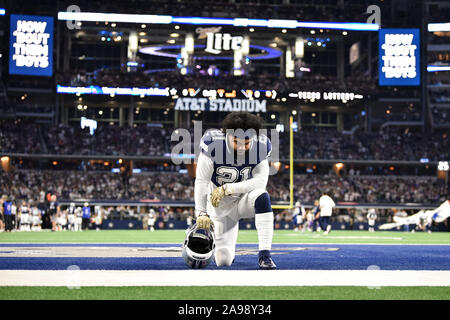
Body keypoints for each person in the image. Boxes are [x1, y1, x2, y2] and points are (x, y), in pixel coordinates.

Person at [193, 112, 276, 269]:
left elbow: (261, 182)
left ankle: (265, 255)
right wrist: (201, 212)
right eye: (236, 141)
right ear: (227, 136)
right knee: (223, 261)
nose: (241, 147)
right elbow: (202, 181)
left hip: (243, 201)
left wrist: (227, 188)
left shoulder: (261, 145)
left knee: (262, 196)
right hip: (219, 207)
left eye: (246, 143)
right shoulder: (213, 144)